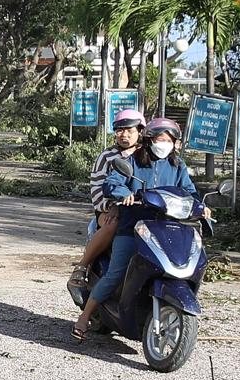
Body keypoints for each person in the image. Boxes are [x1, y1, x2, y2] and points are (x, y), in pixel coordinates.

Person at [72, 118, 196, 340]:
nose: (164, 144)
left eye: (169, 140)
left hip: (165, 227)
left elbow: (189, 191)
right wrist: (124, 194)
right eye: (160, 139)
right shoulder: (133, 161)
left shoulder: (178, 166)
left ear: (175, 143)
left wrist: (201, 207)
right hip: (133, 227)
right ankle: (85, 315)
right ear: (149, 140)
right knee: (116, 273)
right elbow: (112, 183)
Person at [67, 108, 146, 290]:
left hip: (144, 209)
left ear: (140, 131)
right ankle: (82, 267)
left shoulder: (147, 155)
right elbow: (97, 188)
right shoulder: (107, 156)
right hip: (110, 210)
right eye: (120, 130)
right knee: (113, 224)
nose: (124, 135)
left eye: (130, 130)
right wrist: (112, 205)